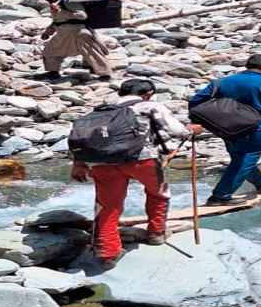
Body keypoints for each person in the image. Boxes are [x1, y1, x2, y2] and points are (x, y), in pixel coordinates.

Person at [71, 79, 190, 267]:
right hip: (142, 160)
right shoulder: (150, 106)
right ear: (148, 93)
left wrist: (78, 163)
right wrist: (191, 130)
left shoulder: (101, 110)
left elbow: (83, 139)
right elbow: (177, 130)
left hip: (103, 163)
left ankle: (107, 252)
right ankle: (156, 233)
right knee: (159, 193)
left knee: (107, 205)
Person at [188, 54, 261, 206]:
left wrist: (200, 122)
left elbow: (195, 101)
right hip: (258, 128)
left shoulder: (222, 82)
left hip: (226, 127)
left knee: (240, 159)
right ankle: (220, 196)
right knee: (246, 160)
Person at [36, 0, 112, 82]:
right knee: (50, 51)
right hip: (64, 33)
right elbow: (58, 21)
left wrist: (60, 11)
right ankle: (53, 72)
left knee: (92, 53)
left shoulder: (69, 2)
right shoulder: (56, 4)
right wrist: (48, 32)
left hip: (79, 32)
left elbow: (82, 16)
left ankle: (105, 75)